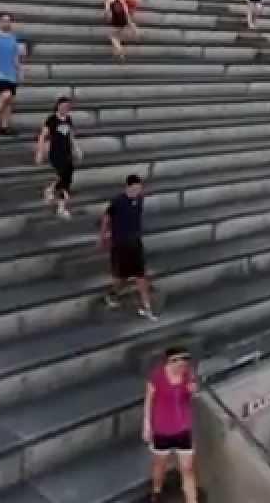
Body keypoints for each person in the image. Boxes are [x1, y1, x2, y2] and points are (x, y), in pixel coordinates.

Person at [144, 347, 199, 503]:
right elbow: (149, 400)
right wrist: (147, 424)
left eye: (185, 361)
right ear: (170, 362)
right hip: (162, 429)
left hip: (183, 428)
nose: (182, 366)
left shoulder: (188, 374)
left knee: (188, 469)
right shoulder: (157, 376)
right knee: (160, 466)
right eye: (179, 362)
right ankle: (157, 492)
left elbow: (191, 394)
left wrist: (192, 391)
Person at [100, 174, 157, 320]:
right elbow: (106, 218)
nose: (138, 191)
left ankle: (146, 307)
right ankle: (112, 294)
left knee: (141, 276)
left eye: (139, 188)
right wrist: (103, 236)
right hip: (120, 244)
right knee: (121, 277)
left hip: (135, 242)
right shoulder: (118, 201)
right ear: (128, 187)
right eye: (135, 188)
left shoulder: (140, 199)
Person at [35, 96, 81, 219]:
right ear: (58, 106)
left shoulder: (68, 119)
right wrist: (39, 152)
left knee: (65, 178)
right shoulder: (52, 119)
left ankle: (50, 190)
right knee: (64, 179)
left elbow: (70, 135)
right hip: (55, 153)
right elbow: (42, 136)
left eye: (67, 107)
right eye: (63, 106)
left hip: (67, 153)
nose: (65, 109)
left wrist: (76, 148)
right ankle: (61, 206)